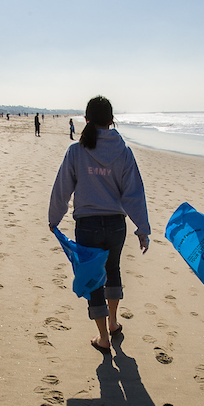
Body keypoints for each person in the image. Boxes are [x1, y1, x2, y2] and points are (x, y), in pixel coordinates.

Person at [49, 96, 150, 353]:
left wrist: (54, 218)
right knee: (113, 269)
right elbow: (134, 193)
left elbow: (62, 189)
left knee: (94, 278)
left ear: (86, 119)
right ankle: (114, 322)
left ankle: (103, 336)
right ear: (111, 121)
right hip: (116, 224)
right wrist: (142, 228)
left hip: (87, 224)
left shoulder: (76, 151)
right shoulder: (123, 152)